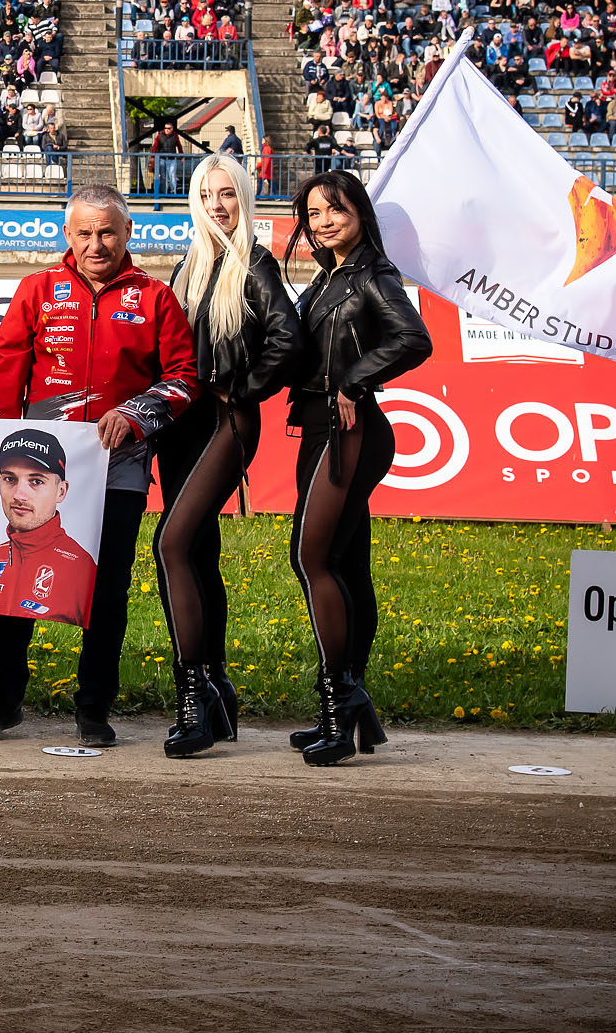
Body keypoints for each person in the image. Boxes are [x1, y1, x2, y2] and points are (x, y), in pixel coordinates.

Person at [0, 183, 197, 745]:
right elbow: (4, 371)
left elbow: (184, 376)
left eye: (107, 233)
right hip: (38, 464)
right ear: (67, 234)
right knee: (17, 571)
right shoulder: (38, 288)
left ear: (127, 235)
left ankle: (94, 706)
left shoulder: (154, 296)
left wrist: (137, 414)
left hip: (118, 461)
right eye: (85, 233)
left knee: (107, 584)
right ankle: (1, 700)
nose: (96, 244)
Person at [152, 154, 300, 758]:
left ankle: (195, 698)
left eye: (228, 195)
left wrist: (244, 388)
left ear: (245, 200)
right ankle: (214, 684)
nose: (217, 205)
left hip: (226, 423)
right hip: (182, 427)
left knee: (171, 544)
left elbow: (288, 338)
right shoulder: (190, 265)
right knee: (199, 553)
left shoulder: (255, 264)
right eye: (207, 194)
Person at [284, 170, 433, 766]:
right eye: (314, 213)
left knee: (311, 558)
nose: (323, 222)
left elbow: (413, 338)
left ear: (359, 214)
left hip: (350, 431)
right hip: (321, 428)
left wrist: (355, 377)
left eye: (335, 210)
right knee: (344, 564)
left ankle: (338, 700)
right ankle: (350, 709)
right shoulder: (329, 276)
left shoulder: (373, 273)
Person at [0, 430, 99, 629]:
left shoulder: (81, 567)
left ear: (61, 491)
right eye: (10, 479)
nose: (19, 495)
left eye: (36, 481)